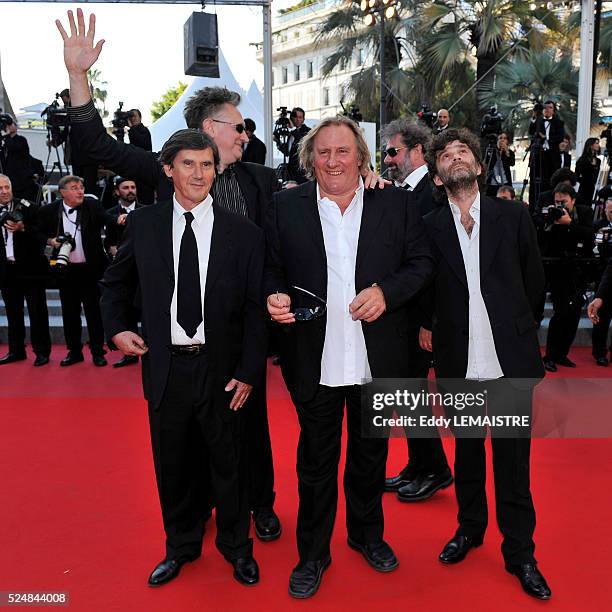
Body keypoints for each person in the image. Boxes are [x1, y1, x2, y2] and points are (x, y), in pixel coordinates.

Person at [55, 8, 281, 540]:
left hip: (238, 331)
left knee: (251, 431)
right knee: (188, 438)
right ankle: (197, 514)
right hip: (180, 337)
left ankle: (259, 505)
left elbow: (285, 244)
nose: (246, 134)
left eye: (247, 127)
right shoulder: (163, 174)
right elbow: (96, 149)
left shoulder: (263, 182)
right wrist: (79, 79)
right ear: (207, 130)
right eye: (238, 125)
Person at [265, 116, 434, 598]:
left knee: (369, 457)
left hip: (375, 360)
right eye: (323, 153)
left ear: (361, 156)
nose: (333, 161)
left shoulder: (396, 204)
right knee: (315, 463)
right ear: (310, 160)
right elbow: (269, 267)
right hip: (313, 359)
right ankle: (312, 555)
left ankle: (367, 536)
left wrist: (387, 292)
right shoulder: (284, 206)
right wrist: (273, 295)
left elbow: (421, 264)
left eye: (343, 152)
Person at [100, 129, 266, 587]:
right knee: (173, 465)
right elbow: (113, 284)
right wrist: (116, 329)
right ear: (169, 169)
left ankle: (237, 547)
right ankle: (181, 546)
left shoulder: (244, 234)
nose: (199, 174)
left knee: (230, 465)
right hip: (167, 367)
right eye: (188, 164)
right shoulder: (146, 225)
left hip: (224, 371)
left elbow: (256, 310)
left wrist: (250, 371)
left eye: (207, 165)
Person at [420, 128, 551, 600]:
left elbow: (534, 282)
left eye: (463, 153)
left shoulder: (513, 216)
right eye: (446, 155)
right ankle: (470, 529)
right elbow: (423, 285)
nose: (455, 158)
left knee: (513, 466)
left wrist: (517, 330)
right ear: (437, 175)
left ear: (478, 166)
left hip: (509, 363)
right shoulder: (430, 226)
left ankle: (521, 554)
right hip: (459, 359)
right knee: (469, 456)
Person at [380, 119, 452, 501]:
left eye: (394, 152)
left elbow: (435, 266)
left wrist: (429, 322)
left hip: (421, 316)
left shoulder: (432, 193)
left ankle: (436, 469)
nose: (388, 159)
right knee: (404, 394)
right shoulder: (404, 192)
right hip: (402, 314)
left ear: (417, 151)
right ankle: (419, 464)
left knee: (410, 394)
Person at [37, 175, 117, 367]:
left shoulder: (92, 206)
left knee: (93, 312)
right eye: (74, 188)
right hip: (66, 271)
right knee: (69, 313)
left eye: (81, 187)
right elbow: (36, 231)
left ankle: (98, 351)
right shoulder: (49, 211)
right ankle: (74, 352)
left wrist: (121, 219)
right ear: (62, 192)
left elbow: (108, 219)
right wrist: (50, 241)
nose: (80, 191)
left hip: (91, 270)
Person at [539, 183, 594, 372]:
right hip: (559, 271)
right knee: (560, 313)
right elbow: (544, 241)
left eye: (564, 201)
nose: (561, 205)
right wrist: (551, 223)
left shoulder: (584, 213)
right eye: (557, 202)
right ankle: (550, 356)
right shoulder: (551, 215)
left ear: (573, 200)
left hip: (579, 271)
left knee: (574, 315)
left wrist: (570, 223)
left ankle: (562, 354)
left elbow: (590, 235)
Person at [0, 174, 51, 366]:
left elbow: (43, 232)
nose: (4, 192)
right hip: (7, 270)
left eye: (7, 187)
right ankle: (16, 351)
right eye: (0, 188)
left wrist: (23, 228)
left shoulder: (29, 206)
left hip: (31, 269)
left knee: (37, 312)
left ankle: (42, 352)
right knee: (13, 313)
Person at [104, 176, 142, 368]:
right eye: (125, 187)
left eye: (133, 186)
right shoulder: (110, 214)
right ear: (117, 191)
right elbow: (107, 241)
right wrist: (112, 249)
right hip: (122, 272)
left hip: (142, 272)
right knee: (126, 312)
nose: (130, 190)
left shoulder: (147, 212)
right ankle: (130, 353)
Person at [589, 199, 612, 365]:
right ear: (605, 210)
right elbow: (595, 250)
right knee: (601, 320)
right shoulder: (599, 226)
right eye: (610, 210)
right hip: (603, 277)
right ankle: (599, 353)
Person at [528, 100, 564, 194]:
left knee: (552, 180)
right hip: (539, 155)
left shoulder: (558, 122)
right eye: (545, 107)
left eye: (550, 107)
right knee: (537, 181)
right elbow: (531, 132)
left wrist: (546, 137)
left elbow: (560, 137)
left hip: (552, 156)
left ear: (554, 111)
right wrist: (534, 117)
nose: (547, 109)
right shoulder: (538, 121)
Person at [1, 118, 38, 202]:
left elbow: (13, 147)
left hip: (21, 181)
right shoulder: (4, 141)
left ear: (16, 127)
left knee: (21, 203)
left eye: (10, 124)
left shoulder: (21, 140)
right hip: (8, 178)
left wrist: (6, 135)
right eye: (6, 125)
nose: (8, 127)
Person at [275, 107, 310, 184]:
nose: (297, 120)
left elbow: (302, 142)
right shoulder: (290, 133)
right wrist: (277, 141)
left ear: (303, 119)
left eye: (300, 117)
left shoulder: (307, 131)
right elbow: (287, 152)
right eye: (295, 117)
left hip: (302, 173)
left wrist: (293, 128)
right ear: (291, 118)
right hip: (290, 173)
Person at [484, 132, 515, 197]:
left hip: (505, 182)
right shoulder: (492, 151)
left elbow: (512, 163)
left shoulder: (510, 152)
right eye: (500, 138)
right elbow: (487, 164)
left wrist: (506, 151)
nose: (502, 140)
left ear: (507, 141)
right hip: (493, 183)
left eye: (505, 138)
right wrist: (497, 150)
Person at [575, 137, 601, 205]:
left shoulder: (598, 161)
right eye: (596, 143)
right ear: (590, 145)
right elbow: (576, 175)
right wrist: (585, 181)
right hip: (584, 190)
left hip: (594, 190)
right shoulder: (582, 160)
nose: (598, 145)